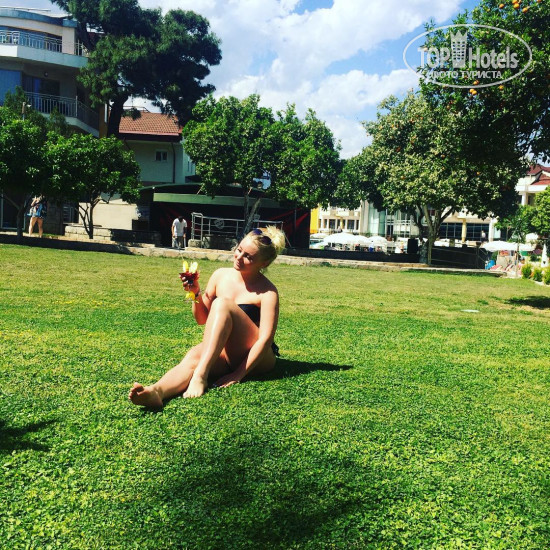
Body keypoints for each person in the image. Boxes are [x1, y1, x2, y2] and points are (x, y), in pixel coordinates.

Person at [129, 226, 286, 408]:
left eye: (248, 257)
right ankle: (157, 391)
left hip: (258, 359)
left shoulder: (268, 292)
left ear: (264, 264)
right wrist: (195, 293)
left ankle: (200, 375)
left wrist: (238, 374)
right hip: (226, 352)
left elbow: (265, 340)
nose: (239, 257)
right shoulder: (220, 275)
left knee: (222, 304)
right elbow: (202, 319)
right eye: (239, 250)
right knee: (194, 356)